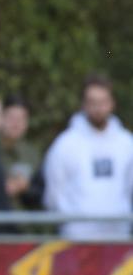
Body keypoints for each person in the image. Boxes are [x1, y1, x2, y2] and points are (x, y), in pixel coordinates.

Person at [43, 74, 133, 239]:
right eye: (92, 102)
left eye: (103, 102)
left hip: (119, 238)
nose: (98, 108)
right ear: (83, 105)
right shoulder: (65, 144)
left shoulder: (127, 143)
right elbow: (54, 194)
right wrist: (70, 225)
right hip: (77, 240)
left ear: (112, 103)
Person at [0, 95, 43, 210]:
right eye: (11, 118)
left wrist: (25, 187)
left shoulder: (32, 154)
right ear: (1, 119)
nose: (16, 123)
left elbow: (40, 192)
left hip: (22, 224)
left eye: (21, 119)